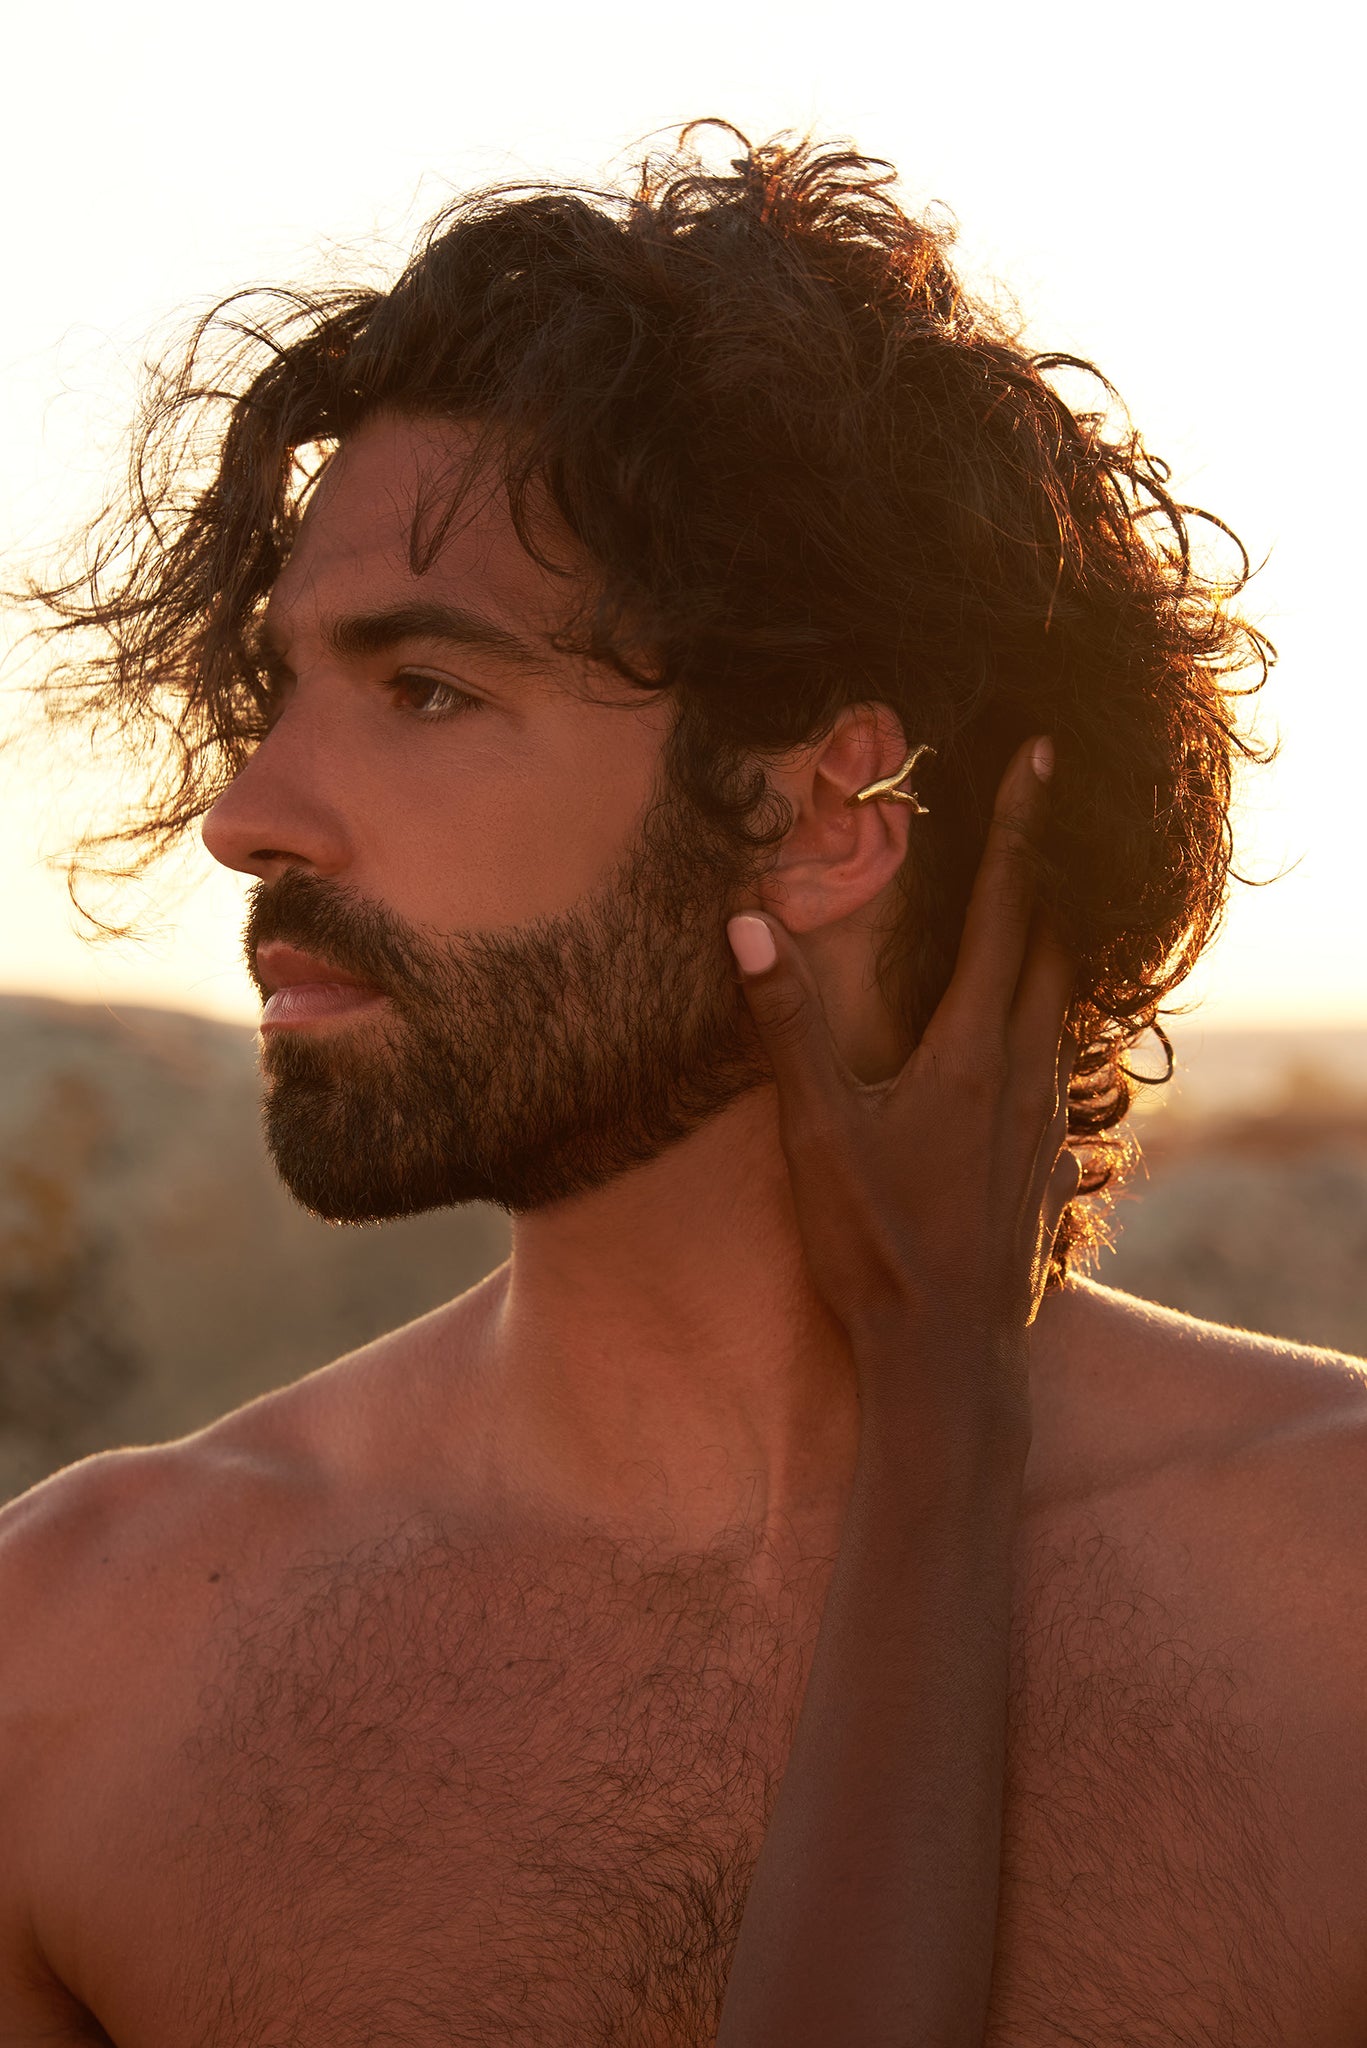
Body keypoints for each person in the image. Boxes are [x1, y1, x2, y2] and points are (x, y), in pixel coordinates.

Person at [2, 124, 1365, 2045]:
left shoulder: (1336, 1606)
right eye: (275, 689)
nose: (247, 816)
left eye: (427, 691)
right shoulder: (73, 1667)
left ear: (823, 812)